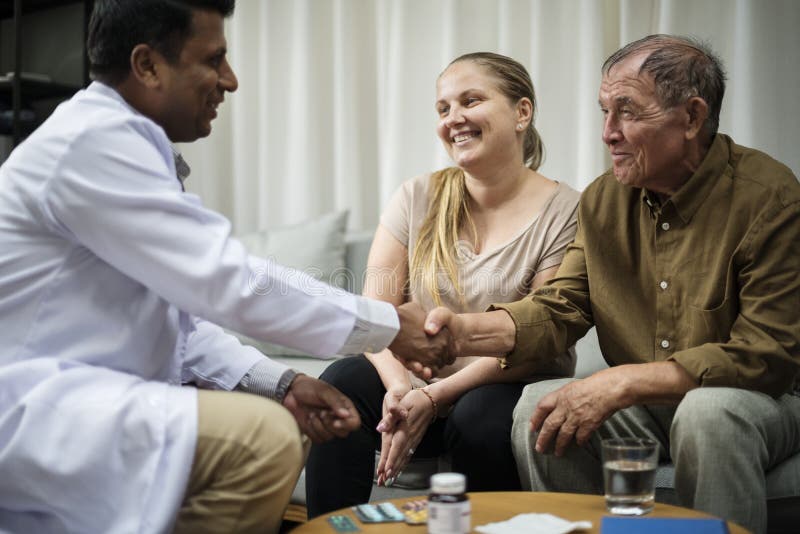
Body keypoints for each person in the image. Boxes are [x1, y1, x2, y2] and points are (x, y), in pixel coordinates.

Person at [0, 1, 450, 533]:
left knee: (277, 420)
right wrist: (391, 326)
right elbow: (228, 281)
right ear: (147, 66)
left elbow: (180, 325)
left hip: (75, 402)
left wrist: (283, 382)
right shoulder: (93, 142)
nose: (230, 81)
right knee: (262, 439)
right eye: (214, 60)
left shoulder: (116, 143)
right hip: (33, 408)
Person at [407, 35, 800, 534]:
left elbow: (766, 354)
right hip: (651, 406)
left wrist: (621, 381)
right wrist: (460, 332)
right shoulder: (604, 200)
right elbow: (558, 308)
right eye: (604, 112)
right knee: (539, 405)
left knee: (708, 412)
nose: (607, 133)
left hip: (762, 399)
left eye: (627, 112)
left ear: (692, 117)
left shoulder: (769, 197)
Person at [305, 52, 580, 517]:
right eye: (443, 108)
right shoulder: (416, 196)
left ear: (522, 112)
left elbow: (537, 333)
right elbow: (376, 312)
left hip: (504, 383)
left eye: (471, 101)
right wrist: (398, 391)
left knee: (479, 418)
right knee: (342, 383)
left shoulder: (566, 210)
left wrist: (434, 397)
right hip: (413, 386)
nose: (454, 119)